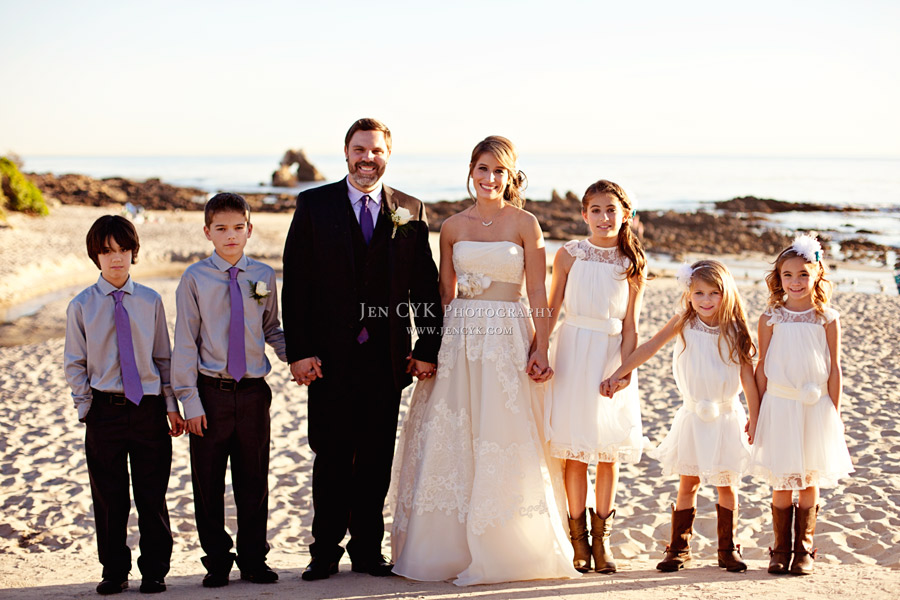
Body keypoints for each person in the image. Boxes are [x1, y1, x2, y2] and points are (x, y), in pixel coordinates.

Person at [389, 135, 579, 585]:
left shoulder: (526, 223)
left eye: (498, 170)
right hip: (459, 337)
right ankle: (443, 549)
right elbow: (442, 292)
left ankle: (509, 542)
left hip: (508, 334)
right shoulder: (452, 226)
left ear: (510, 175)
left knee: (503, 430)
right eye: (482, 168)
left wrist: (541, 344)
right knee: (453, 432)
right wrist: (430, 347)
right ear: (470, 171)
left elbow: (537, 291)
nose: (489, 178)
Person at [281, 118, 442, 581]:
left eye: (376, 151)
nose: (367, 158)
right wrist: (299, 351)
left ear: (387, 155)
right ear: (346, 152)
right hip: (327, 359)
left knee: (375, 459)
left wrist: (427, 346)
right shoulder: (313, 205)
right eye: (359, 149)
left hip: (387, 360)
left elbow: (423, 288)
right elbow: (297, 284)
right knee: (330, 455)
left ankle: (368, 552)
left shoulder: (410, 209)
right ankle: (324, 551)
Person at [601, 259, 759, 573]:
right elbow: (650, 346)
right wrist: (620, 373)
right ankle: (679, 548)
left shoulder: (735, 328)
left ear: (725, 293)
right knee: (688, 483)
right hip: (693, 417)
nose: (706, 300)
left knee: (726, 483)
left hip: (727, 416)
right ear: (688, 294)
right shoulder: (684, 322)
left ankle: (727, 549)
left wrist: (755, 418)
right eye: (698, 293)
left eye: (714, 293)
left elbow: (748, 377)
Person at [64, 215, 184, 595]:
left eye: (123, 250)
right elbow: (75, 363)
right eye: (107, 251)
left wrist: (169, 405)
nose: (116, 258)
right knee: (110, 497)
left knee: (152, 495)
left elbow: (163, 358)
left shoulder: (150, 300)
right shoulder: (81, 305)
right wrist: (87, 408)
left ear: (134, 252)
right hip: (104, 411)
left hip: (148, 409)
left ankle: (155, 571)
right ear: (95, 256)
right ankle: (114, 571)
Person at [172, 193, 287, 588]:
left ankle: (254, 559)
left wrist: (298, 356)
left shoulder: (264, 275)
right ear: (207, 232)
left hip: (255, 393)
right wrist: (189, 400)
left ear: (250, 229)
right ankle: (217, 561)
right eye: (221, 228)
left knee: (253, 480)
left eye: (238, 227)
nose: (230, 235)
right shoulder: (194, 279)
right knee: (208, 481)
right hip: (211, 393)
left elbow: (271, 328)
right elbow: (185, 341)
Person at [543, 180, 646, 574]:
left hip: (611, 356)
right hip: (572, 353)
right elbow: (552, 309)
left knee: (607, 451)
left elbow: (632, 326)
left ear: (625, 216)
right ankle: (578, 542)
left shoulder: (632, 261)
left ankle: (602, 542)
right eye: (596, 210)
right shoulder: (569, 254)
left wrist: (625, 371)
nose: (604, 218)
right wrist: (539, 349)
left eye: (612, 211)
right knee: (574, 451)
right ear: (584, 214)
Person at [749, 234, 853, 576]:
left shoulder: (826, 317)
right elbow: (761, 367)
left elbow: (834, 368)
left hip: (815, 408)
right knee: (781, 479)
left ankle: (804, 550)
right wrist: (757, 412)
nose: (795, 282)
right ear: (778, 279)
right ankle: (779, 550)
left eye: (803, 275)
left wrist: (833, 416)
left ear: (818, 275)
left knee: (809, 478)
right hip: (779, 405)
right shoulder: (770, 318)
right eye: (788, 275)